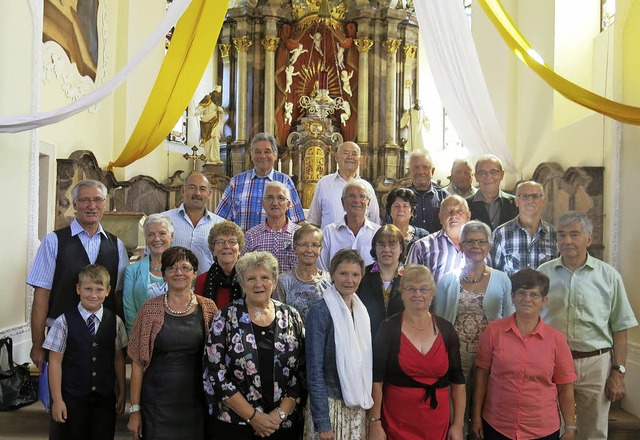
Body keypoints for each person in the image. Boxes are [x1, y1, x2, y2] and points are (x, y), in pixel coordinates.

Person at [538, 212, 638, 440]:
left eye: (575, 234)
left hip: (596, 364)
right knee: (554, 428)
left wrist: (618, 372)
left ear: (589, 239)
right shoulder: (543, 274)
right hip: (552, 363)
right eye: (561, 235)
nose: (567, 241)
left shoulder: (609, 276)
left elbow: (620, 329)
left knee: (593, 431)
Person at [27, 179, 129, 371]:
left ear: (104, 204)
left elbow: (118, 297)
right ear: (74, 205)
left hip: (104, 336)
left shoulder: (117, 245)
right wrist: (37, 343)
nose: (92, 206)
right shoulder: (53, 242)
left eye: (98, 200)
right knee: (63, 395)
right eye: (84, 200)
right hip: (62, 338)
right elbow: (41, 296)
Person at [203, 251, 305, 439]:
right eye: (251, 278)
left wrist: (279, 414)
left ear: (274, 281)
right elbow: (215, 373)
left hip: (281, 425)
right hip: (235, 424)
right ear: (241, 283)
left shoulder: (291, 316)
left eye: (265, 277)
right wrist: (254, 417)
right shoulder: (225, 317)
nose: (258, 284)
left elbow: (301, 371)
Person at [472, 269, 577, 440]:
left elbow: (565, 388)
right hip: (498, 426)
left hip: (542, 429)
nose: (527, 299)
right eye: (521, 293)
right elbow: (481, 377)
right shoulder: (493, 332)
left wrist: (570, 428)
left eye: (534, 295)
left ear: (544, 301)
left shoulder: (556, 340)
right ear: (512, 297)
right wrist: (476, 417)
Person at [127, 247, 218, 440]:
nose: (179, 273)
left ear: (194, 274)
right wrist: (135, 410)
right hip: (156, 404)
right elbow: (137, 363)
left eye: (185, 267)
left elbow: (217, 359)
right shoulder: (149, 309)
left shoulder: (208, 308)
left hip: (196, 402)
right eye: (172, 268)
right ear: (164, 274)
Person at [434, 220, 513, 435]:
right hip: (455, 356)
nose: (476, 246)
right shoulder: (447, 280)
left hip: (491, 356)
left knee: (488, 410)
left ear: (489, 246)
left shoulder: (502, 279)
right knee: (456, 413)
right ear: (461, 245)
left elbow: (509, 320)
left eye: (481, 242)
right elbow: (438, 322)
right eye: (470, 241)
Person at [370, 264, 465, 440]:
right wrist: (375, 421)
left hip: (438, 426)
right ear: (402, 292)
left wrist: (458, 425)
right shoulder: (388, 328)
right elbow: (377, 380)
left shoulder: (446, 329)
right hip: (397, 424)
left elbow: (458, 381)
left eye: (424, 289)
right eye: (411, 289)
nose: (418, 294)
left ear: (432, 293)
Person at [44, 264, 127, 440]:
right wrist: (57, 400)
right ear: (78, 289)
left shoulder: (116, 322)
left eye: (99, 289)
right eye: (88, 289)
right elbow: (55, 362)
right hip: (71, 399)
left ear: (108, 291)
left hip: (104, 401)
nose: (93, 294)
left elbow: (118, 359)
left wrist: (122, 392)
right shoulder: (63, 322)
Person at [305, 249, 373, 439]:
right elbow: (314, 369)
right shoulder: (320, 312)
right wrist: (323, 422)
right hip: (329, 405)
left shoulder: (361, 311)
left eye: (355, 274)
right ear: (332, 274)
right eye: (343, 273)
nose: (349, 280)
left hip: (356, 405)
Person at [215, 132, 305, 231]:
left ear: (275, 155)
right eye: (257, 152)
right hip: (242, 245)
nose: (262, 156)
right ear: (251, 156)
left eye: (267, 151)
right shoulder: (236, 182)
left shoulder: (285, 181)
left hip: (276, 244)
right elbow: (220, 219)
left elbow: (297, 221)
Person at [307, 141, 381, 228]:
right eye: (346, 153)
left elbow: (374, 221)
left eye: (354, 154)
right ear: (336, 157)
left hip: (361, 241)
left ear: (360, 160)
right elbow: (314, 220)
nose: (350, 157)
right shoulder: (324, 183)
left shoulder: (367, 187)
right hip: (330, 240)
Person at [491, 180, 557, 277]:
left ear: (543, 201)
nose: (530, 200)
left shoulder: (554, 234)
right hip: (512, 292)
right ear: (516, 201)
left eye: (535, 196)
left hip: (548, 292)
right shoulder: (501, 233)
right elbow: (494, 274)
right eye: (524, 196)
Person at [163, 172, 224, 275]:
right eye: (192, 187)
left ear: (209, 194)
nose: (197, 193)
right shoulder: (164, 220)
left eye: (202, 189)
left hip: (207, 286)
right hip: (171, 285)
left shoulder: (220, 224)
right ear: (183, 191)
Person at [123, 214, 174, 334]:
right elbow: (129, 311)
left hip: (176, 338)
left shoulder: (183, 270)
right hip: (142, 336)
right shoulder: (132, 271)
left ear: (171, 237)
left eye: (162, 233)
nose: (156, 239)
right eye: (151, 234)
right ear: (145, 238)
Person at [406, 195, 471, 284]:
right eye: (448, 212)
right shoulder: (421, 247)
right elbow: (408, 284)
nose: (454, 215)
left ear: (468, 216)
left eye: (460, 211)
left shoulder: (480, 246)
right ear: (440, 218)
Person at [274, 224, 331, 323]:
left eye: (314, 245)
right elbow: (278, 316)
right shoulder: (283, 281)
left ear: (320, 249)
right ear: (295, 247)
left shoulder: (330, 280)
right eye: (304, 244)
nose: (309, 250)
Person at [319, 179, 381, 271]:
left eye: (362, 196)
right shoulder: (329, 232)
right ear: (342, 201)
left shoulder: (378, 233)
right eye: (352, 196)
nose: (357, 200)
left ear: (369, 202)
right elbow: (323, 270)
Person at [357, 225, 406, 337]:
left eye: (392, 244)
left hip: (402, 344)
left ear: (401, 248)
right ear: (375, 248)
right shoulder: (362, 276)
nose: (386, 249)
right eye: (381, 244)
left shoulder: (411, 277)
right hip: (368, 342)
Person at [243, 181, 300, 273]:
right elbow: (243, 270)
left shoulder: (299, 234)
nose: (275, 203)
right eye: (270, 198)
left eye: (280, 198)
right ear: (263, 203)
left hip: (293, 287)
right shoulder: (251, 235)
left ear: (288, 205)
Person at [194, 220, 244, 309]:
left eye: (232, 242)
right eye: (220, 242)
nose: (226, 246)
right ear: (213, 250)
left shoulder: (248, 278)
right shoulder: (202, 280)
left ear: (239, 249)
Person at [401, 150, 449, 232]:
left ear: (432, 171)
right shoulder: (400, 197)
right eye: (416, 167)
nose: (420, 172)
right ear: (410, 171)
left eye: (425, 167)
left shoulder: (445, 197)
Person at [466, 154, 518, 230]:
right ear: (476, 177)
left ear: (502, 174)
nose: (488, 177)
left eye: (493, 172)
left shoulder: (516, 203)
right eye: (483, 173)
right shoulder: (465, 205)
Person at [385, 187, 428, 260]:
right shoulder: (382, 234)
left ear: (412, 212)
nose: (401, 209)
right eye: (396, 206)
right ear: (390, 210)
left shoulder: (423, 236)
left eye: (405, 206)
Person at [195, 88, 225, 164]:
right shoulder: (207, 100)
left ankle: (215, 158)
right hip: (207, 124)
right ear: (213, 94)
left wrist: (221, 111)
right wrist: (197, 112)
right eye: (216, 96)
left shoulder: (217, 105)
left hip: (215, 124)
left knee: (215, 140)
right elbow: (199, 108)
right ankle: (208, 158)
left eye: (218, 97)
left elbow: (221, 115)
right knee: (208, 141)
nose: (217, 98)